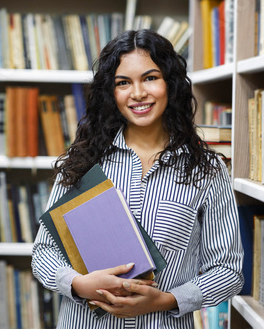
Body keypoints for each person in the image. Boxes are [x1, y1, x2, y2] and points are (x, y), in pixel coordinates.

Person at [31, 29, 243, 328]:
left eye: (150, 78)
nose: (138, 93)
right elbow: (43, 253)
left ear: (170, 84)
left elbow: (227, 272)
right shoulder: (82, 162)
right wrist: (78, 284)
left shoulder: (206, 169)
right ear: (111, 92)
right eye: (123, 83)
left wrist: (166, 300)